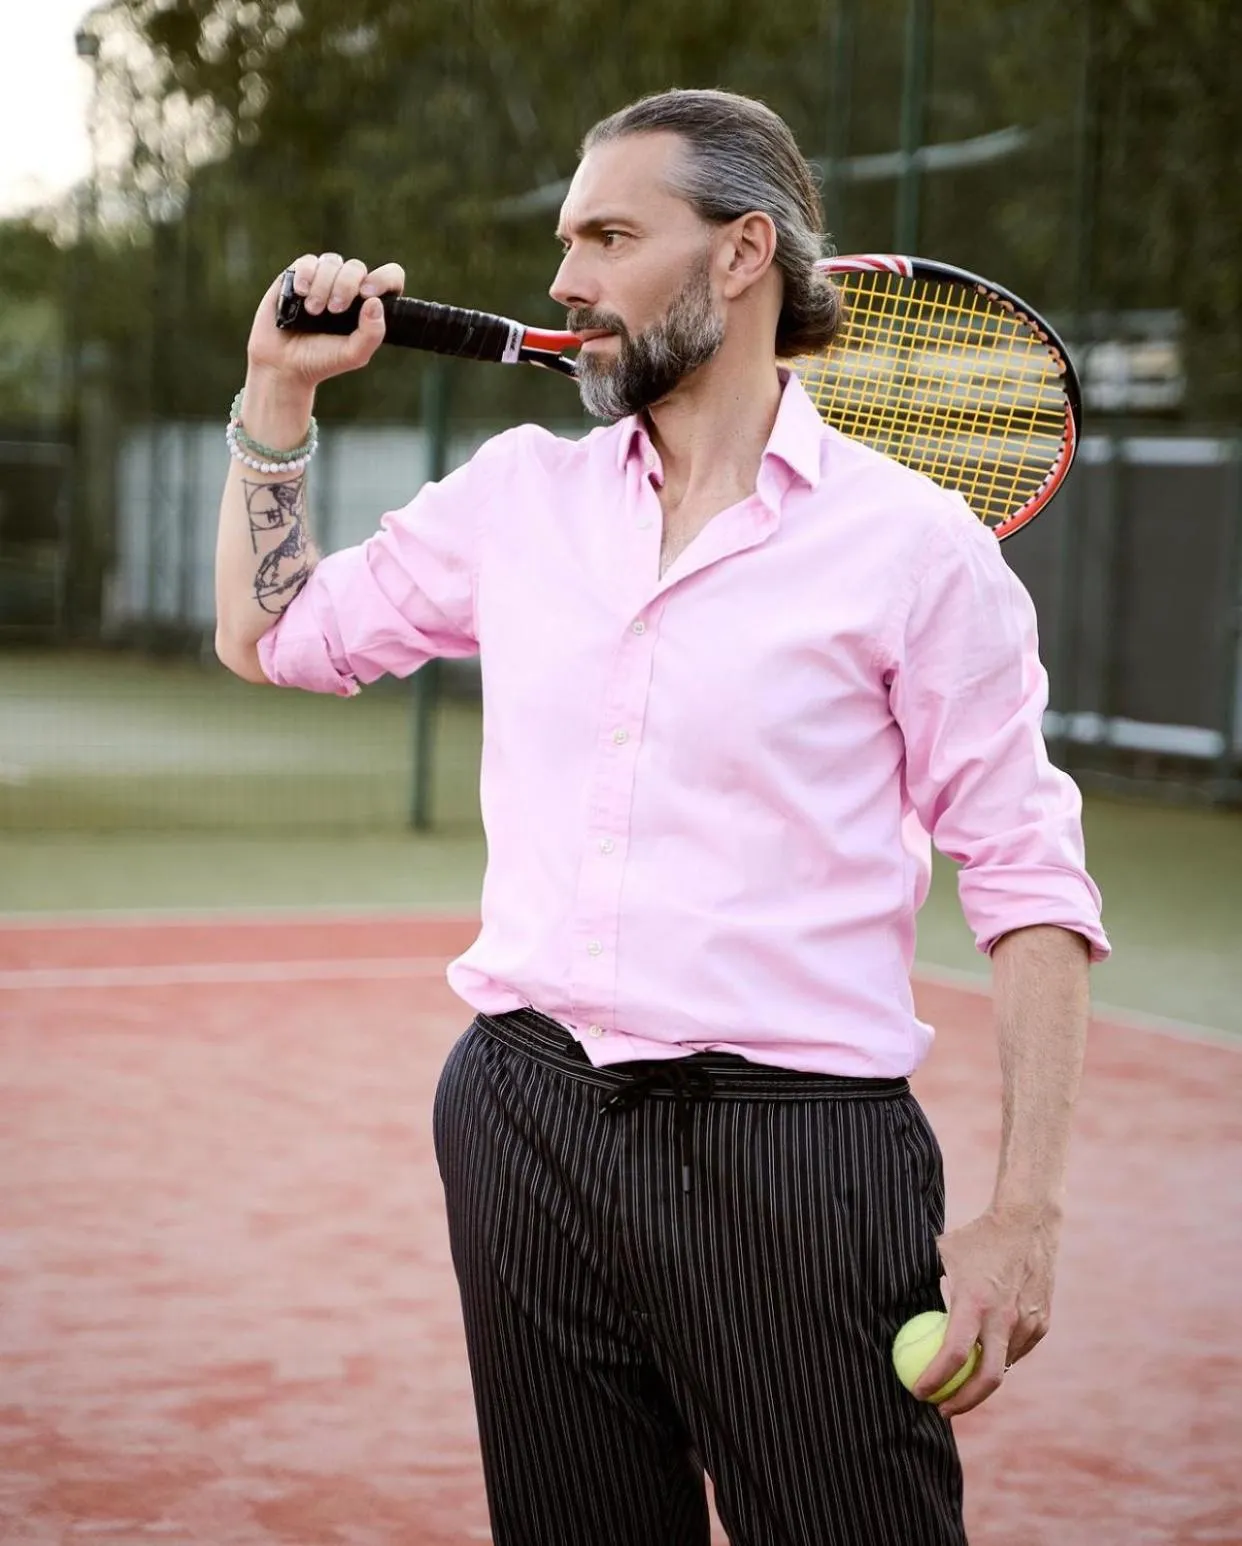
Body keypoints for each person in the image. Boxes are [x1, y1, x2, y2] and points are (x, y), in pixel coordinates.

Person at [215, 88, 1108, 1546]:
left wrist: (1025, 1215)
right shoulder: (519, 498)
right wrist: (280, 393)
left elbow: (1027, 879)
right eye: (565, 240)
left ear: (742, 252)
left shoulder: (914, 548)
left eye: (610, 235)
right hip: (521, 1123)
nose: (564, 281)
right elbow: (274, 638)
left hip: (792, 1155)